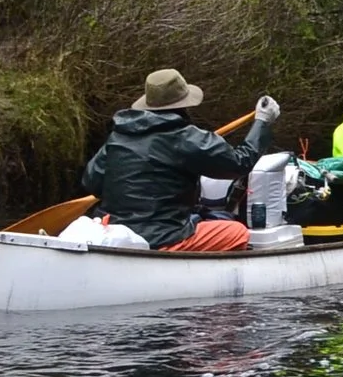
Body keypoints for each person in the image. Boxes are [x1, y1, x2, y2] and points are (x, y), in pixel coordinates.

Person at [80, 68, 278, 251]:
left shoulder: (119, 136)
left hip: (111, 231)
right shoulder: (188, 138)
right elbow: (240, 163)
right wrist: (262, 122)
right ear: (184, 104)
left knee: (201, 218)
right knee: (238, 232)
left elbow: (91, 183)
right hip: (162, 238)